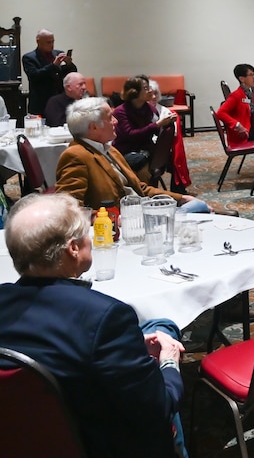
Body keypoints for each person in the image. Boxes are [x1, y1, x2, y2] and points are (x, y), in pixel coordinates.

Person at [0, 193, 187, 458]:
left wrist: (130, 345)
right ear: (73, 248)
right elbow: (158, 408)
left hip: (17, 438)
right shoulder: (106, 316)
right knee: (164, 334)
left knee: (155, 328)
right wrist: (169, 362)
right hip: (98, 444)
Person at [54, 97, 211, 213]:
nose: (116, 121)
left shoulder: (109, 150)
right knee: (200, 210)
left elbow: (139, 188)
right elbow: (68, 209)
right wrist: (111, 220)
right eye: (110, 118)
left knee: (199, 207)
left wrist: (180, 198)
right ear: (94, 127)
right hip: (128, 223)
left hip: (143, 211)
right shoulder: (76, 155)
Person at [112, 75, 177, 174]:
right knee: (140, 161)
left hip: (144, 150)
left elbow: (154, 132)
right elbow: (131, 135)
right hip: (125, 152)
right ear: (134, 92)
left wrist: (164, 123)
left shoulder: (150, 108)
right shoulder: (120, 112)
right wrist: (158, 124)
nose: (150, 91)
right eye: (146, 88)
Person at [147, 79, 192, 193]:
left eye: (155, 93)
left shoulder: (165, 112)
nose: (153, 97)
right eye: (149, 94)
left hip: (156, 153)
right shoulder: (139, 112)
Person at [22, 29, 79, 115]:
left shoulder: (58, 53)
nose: (52, 45)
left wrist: (69, 64)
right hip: (41, 102)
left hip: (60, 101)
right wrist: (54, 65)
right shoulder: (29, 57)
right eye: (48, 42)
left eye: (53, 42)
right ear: (38, 42)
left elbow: (71, 74)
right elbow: (34, 76)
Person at [217, 62, 254, 144]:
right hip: (246, 132)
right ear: (242, 79)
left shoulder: (249, 93)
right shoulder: (236, 95)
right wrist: (237, 125)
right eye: (251, 75)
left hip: (253, 127)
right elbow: (220, 113)